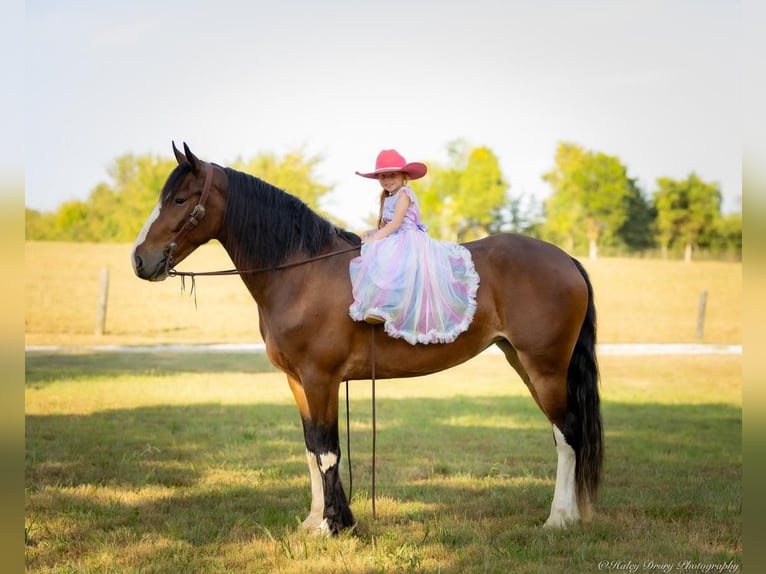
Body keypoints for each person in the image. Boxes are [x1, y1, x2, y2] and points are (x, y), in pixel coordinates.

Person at [348, 149, 479, 345]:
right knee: (374, 257)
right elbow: (385, 225)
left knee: (394, 264)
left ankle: (394, 307)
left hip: (408, 237)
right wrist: (371, 232)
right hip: (394, 236)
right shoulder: (386, 196)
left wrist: (376, 239)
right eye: (382, 176)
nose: (387, 180)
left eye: (392, 175)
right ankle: (377, 305)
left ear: (404, 176)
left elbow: (396, 223)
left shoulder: (404, 194)